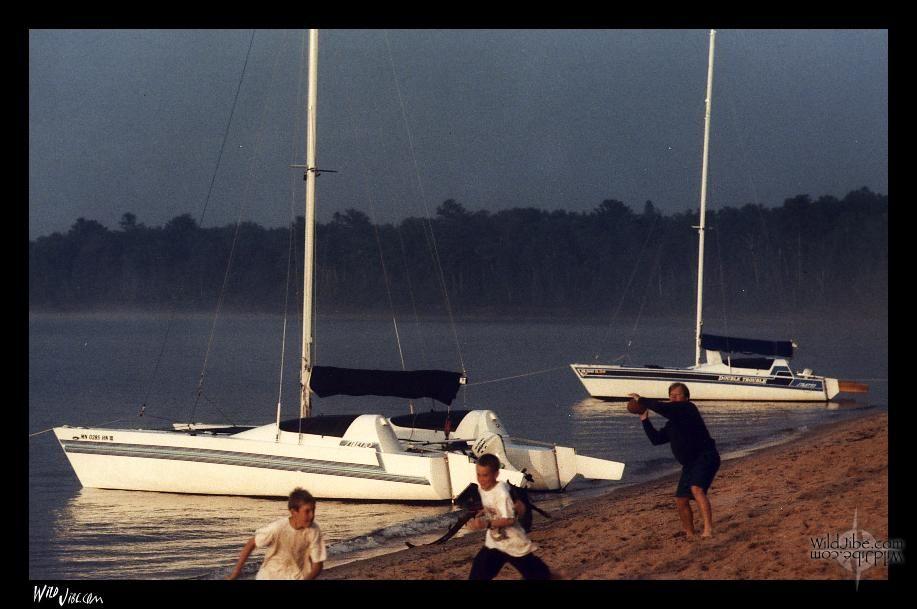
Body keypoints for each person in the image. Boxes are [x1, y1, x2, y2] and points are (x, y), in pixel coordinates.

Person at [629, 383, 720, 538]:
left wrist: (641, 399)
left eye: (678, 395)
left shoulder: (689, 408)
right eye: (671, 395)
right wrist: (644, 419)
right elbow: (656, 439)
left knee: (696, 489)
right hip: (689, 464)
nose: (674, 398)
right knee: (681, 500)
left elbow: (663, 408)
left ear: (686, 397)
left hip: (706, 456)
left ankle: (708, 530)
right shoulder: (672, 424)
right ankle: (689, 533)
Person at [466, 453, 552, 580]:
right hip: (495, 544)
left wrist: (485, 524)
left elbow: (510, 520)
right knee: (477, 575)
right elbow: (496, 503)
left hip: (513, 543)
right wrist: (485, 511)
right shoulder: (482, 488)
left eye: (485, 475)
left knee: (539, 575)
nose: (481, 479)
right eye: (478, 474)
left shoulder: (502, 493)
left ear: (495, 474)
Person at [227, 487, 327, 580]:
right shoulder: (277, 528)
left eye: (313, 510)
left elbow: (317, 564)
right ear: (293, 512)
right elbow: (252, 543)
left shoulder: (314, 530)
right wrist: (235, 573)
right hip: (269, 576)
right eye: (307, 511)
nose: (312, 515)